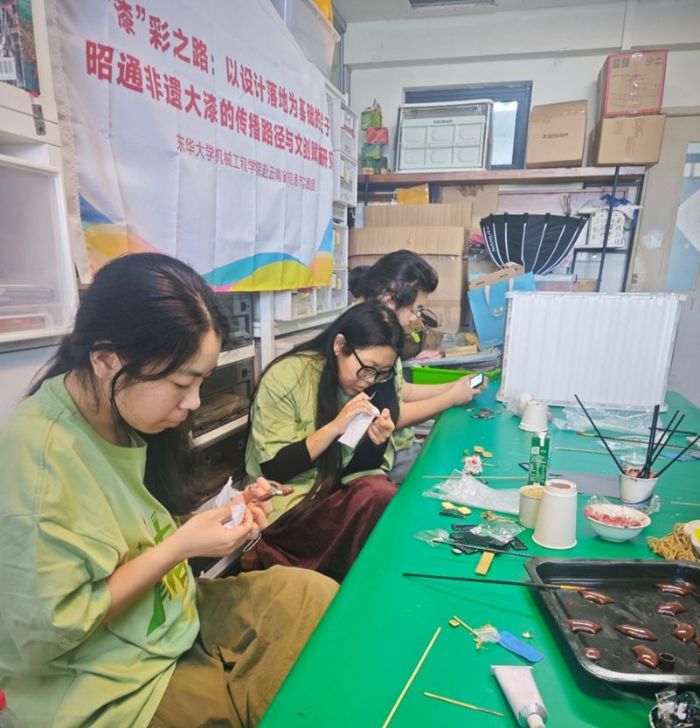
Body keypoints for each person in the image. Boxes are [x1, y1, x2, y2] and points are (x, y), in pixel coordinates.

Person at [0, 253, 337, 728]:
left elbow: (134, 532)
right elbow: (51, 629)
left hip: (168, 612)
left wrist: (224, 514)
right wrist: (180, 546)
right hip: (104, 677)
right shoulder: (39, 460)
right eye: (182, 383)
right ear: (105, 359)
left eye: (200, 381)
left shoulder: (122, 414)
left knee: (309, 595)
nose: (194, 402)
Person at [245, 301, 404, 582]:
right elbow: (274, 469)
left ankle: (346, 583)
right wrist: (335, 427)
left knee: (381, 493)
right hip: (286, 506)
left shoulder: (378, 381)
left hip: (332, 498)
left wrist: (376, 442)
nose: (370, 380)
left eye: (382, 372)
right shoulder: (289, 376)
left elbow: (357, 472)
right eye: (367, 368)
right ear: (339, 345)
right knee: (378, 499)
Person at [349, 249, 486, 484]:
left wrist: (454, 386)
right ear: (389, 300)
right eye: (415, 310)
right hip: (383, 459)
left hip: (401, 447)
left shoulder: (386, 332)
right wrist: (451, 398)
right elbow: (389, 415)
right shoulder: (364, 338)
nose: (414, 319)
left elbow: (401, 390)